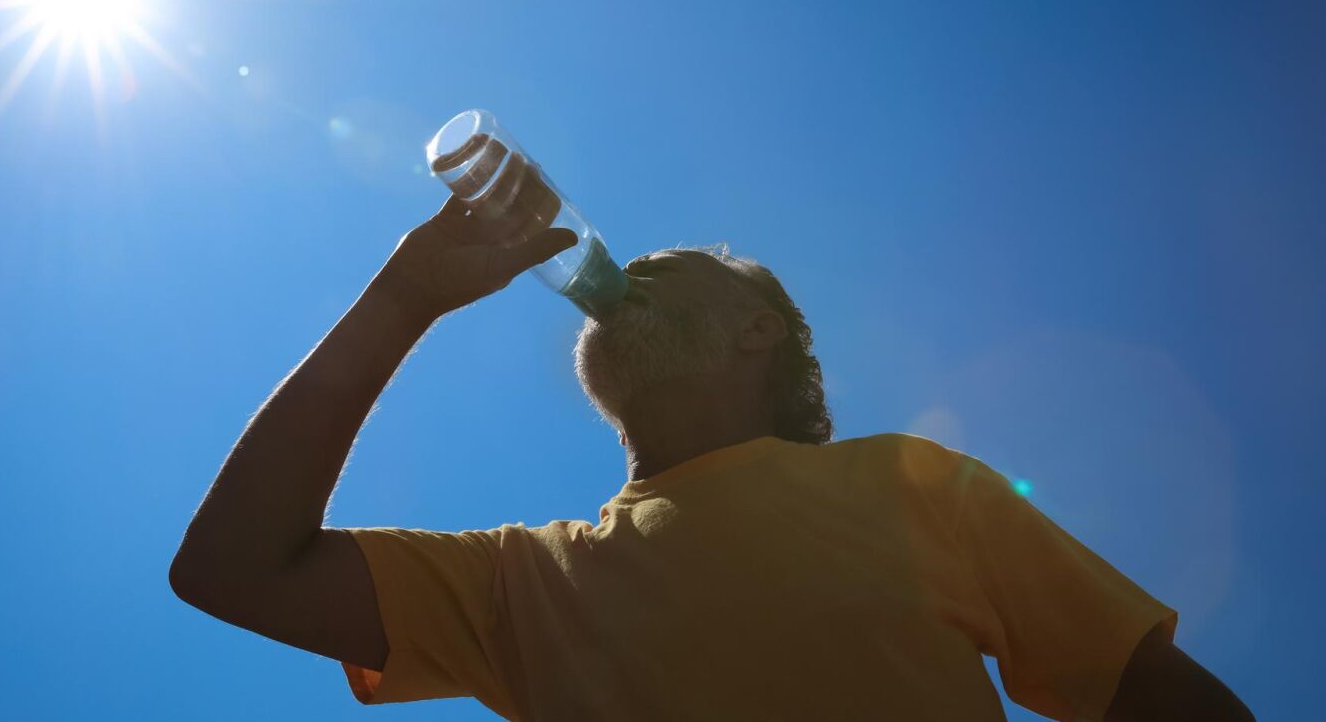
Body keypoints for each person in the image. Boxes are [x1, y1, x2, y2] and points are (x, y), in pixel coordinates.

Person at [169, 193, 1252, 721]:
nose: (628, 268)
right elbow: (229, 569)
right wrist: (402, 297)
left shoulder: (909, 482)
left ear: (758, 329)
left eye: (673, 267)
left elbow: (1165, 698)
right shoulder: (526, 578)